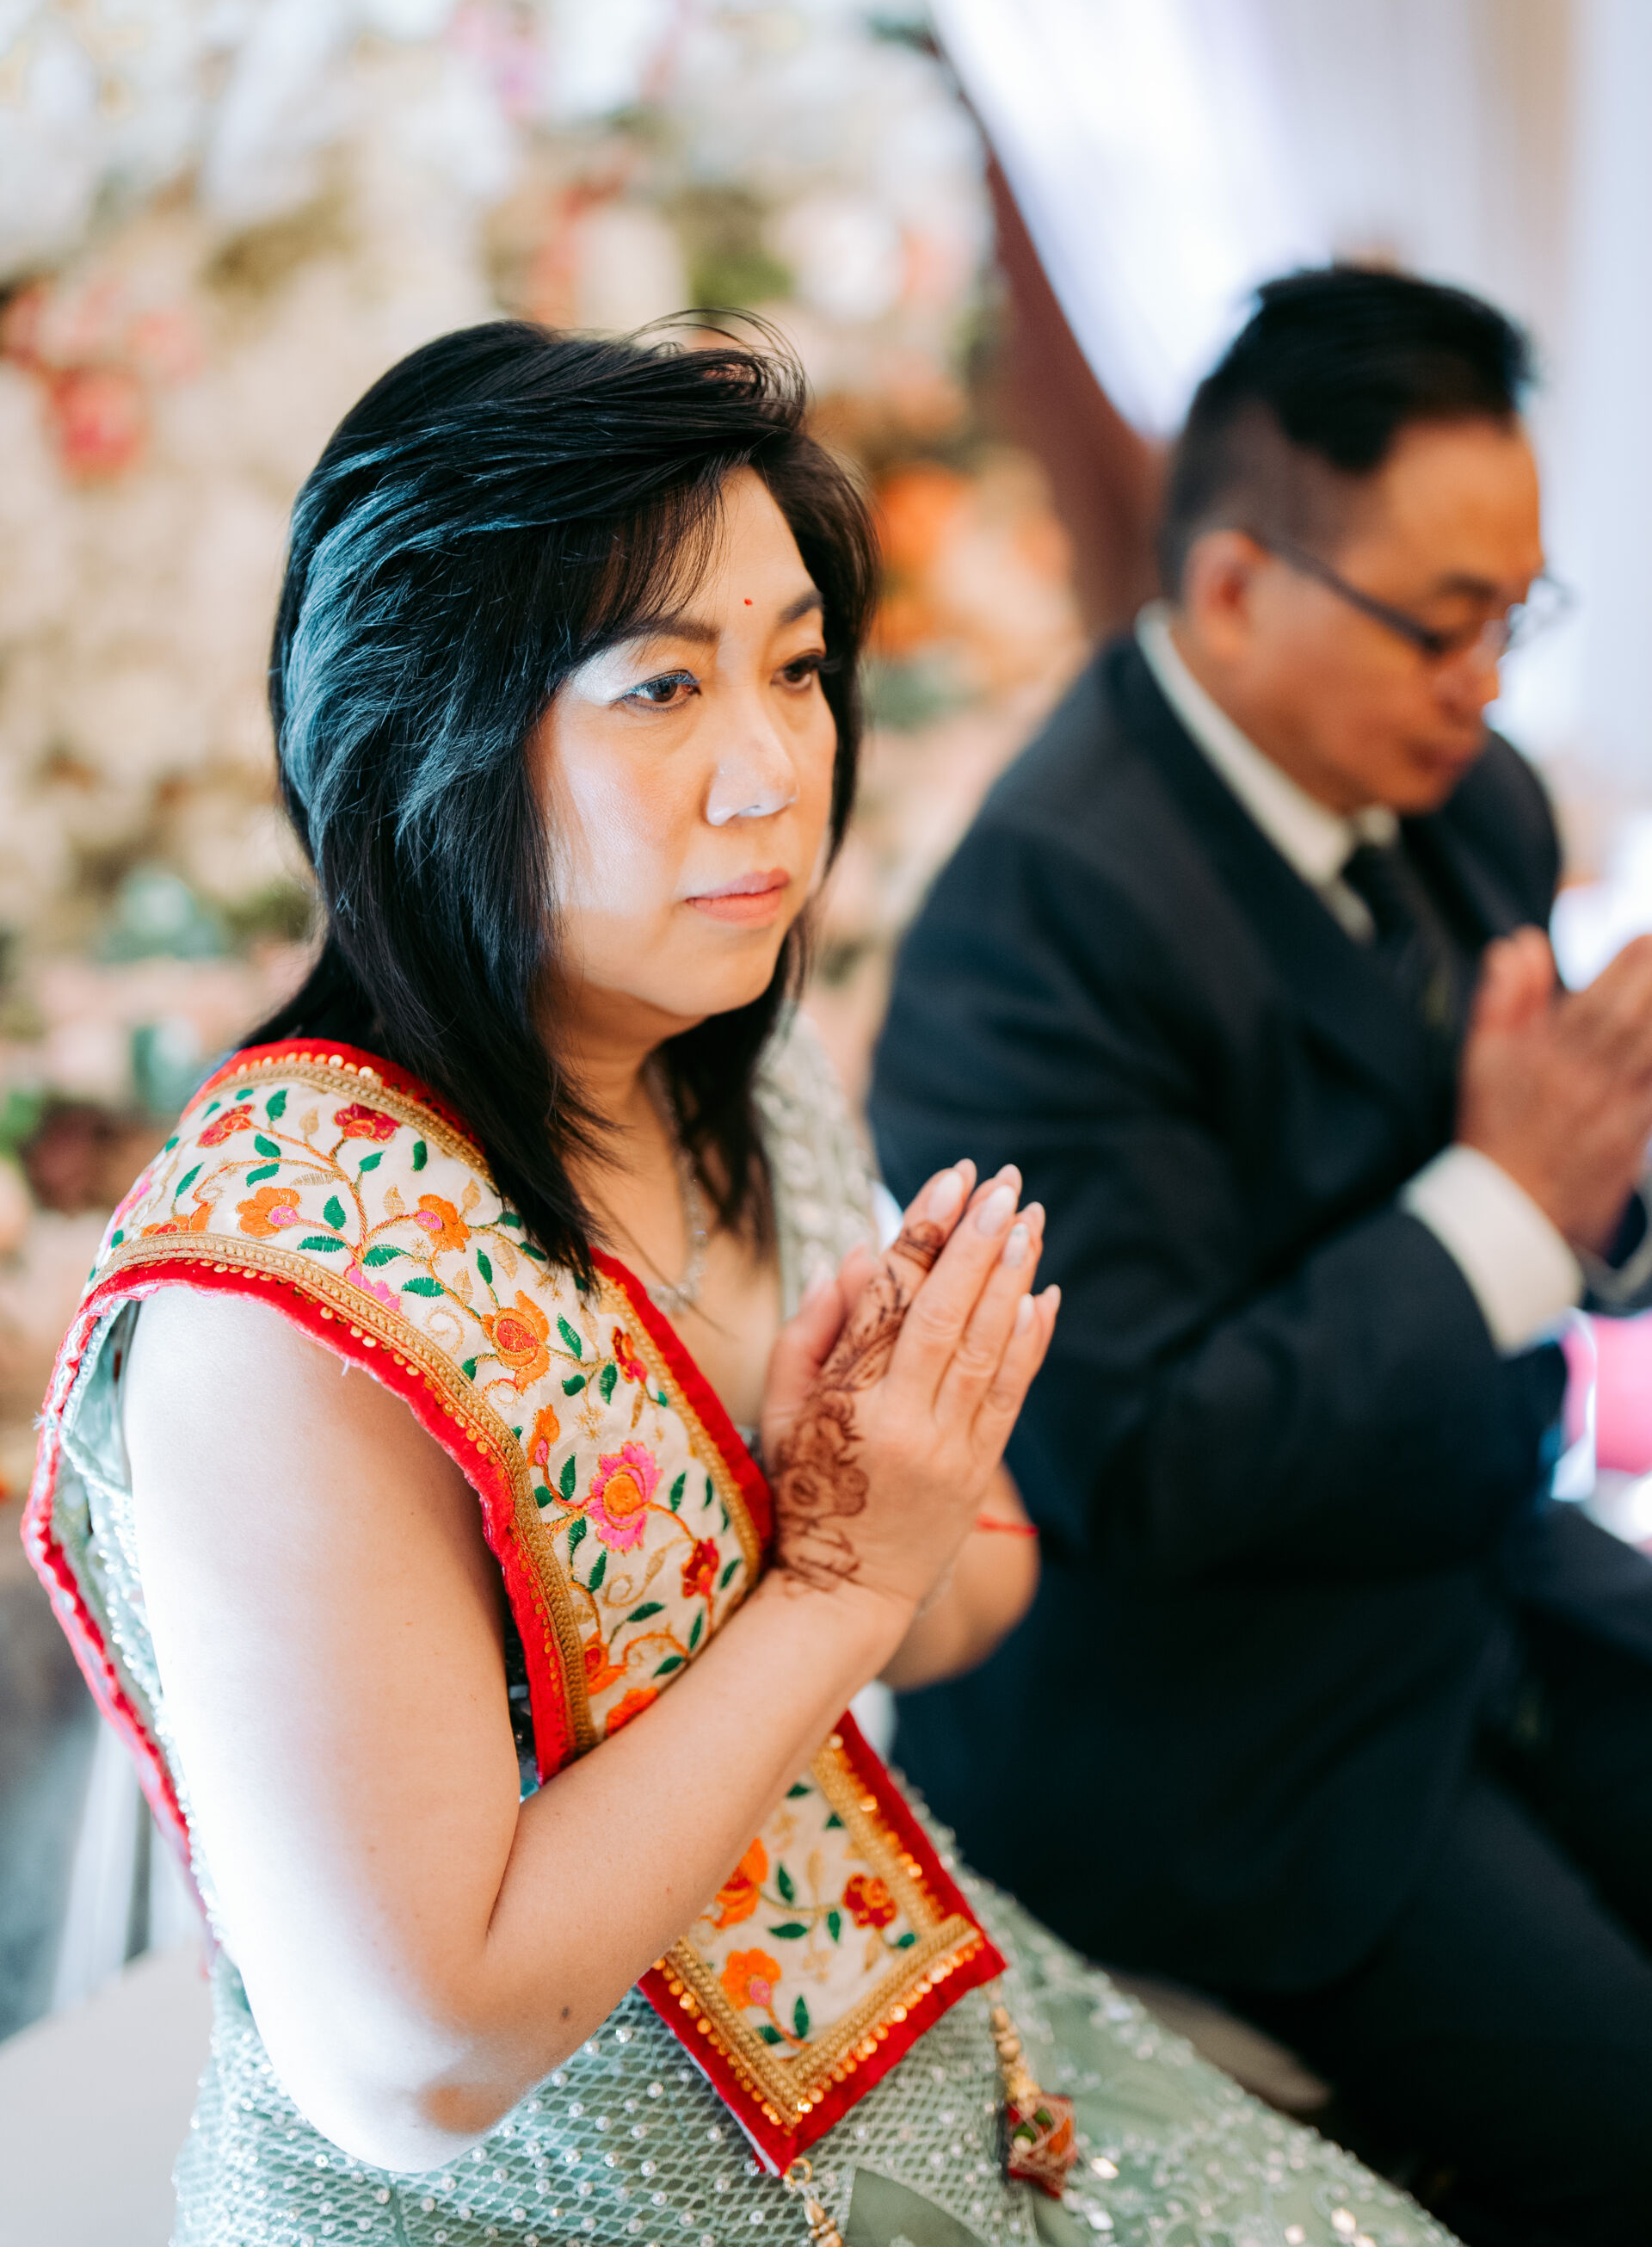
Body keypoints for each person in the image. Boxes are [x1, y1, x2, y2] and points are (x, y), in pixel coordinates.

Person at [24, 321, 1452, 2247]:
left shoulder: (721, 1068)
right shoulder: (287, 1301)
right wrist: (835, 1579)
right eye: (662, 688)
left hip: (895, 2039)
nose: (775, 771)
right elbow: (414, 2062)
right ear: (424, 734)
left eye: (795, 668)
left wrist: (889, 1499)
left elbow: (975, 1591)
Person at [870, 266, 1652, 2247]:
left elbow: (1549, 1166)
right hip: (1209, 1716)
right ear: (1232, 586)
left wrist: (1600, 1171)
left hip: (1477, 1575)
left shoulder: (1466, 796)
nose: (1488, 682)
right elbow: (1133, 1461)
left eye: (1519, 615)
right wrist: (1512, 1203)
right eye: (1444, 623)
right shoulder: (1029, 932)